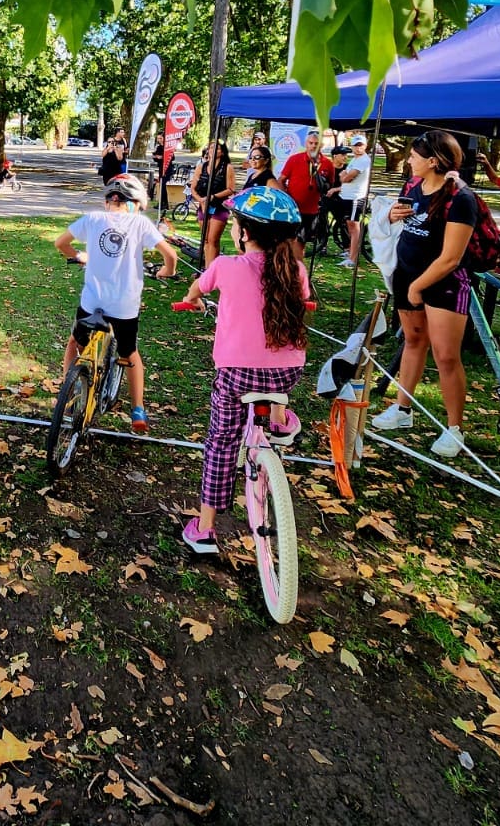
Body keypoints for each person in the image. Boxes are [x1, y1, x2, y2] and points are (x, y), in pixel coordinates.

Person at [175, 186, 310, 554]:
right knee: (280, 367)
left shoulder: (225, 266)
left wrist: (192, 300)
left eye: (234, 224)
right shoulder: (296, 270)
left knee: (221, 443)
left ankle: (204, 529)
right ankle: (280, 419)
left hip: (236, 375)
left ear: (244, 233)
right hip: (287, 374)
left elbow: (194, 290)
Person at [371, 131, 479, 459]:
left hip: (442, 284)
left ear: (433, 161)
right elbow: (398, 224)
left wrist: (419, 286)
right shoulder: (411, 188)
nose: (408, 160)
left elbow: (451, 257)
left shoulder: (460, 198)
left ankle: (454, 428)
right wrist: (390, 216)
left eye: (414, 155)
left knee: (446, 355)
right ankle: (402, 410)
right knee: (414, 341)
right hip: (406, 276)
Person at [54, 173, 178, 433]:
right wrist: (166, 271)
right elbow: (170, 256)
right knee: (129, 353)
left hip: (93, 302)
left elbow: (60, 243)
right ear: (133, 202)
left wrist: (79, 255)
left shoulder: (93, 219)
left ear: (108, 199)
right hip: (124, 306)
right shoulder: (140, 224)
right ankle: (138, 409)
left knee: (75, 343)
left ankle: (66, 392)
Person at [190, 140, 236, 266]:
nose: (214, 150)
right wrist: (200, 200)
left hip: (219, 207)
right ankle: (206, 269)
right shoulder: (202, 167)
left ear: (223, 152)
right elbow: (193, 187)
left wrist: (213, 196)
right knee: (205, 239)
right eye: (211, 147)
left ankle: (212, 270)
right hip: (203, 206)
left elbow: (231, 189)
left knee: (213, 239)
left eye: (218, 148)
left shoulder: (227, 167)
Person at [337, 134, 372, 267]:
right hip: (347, 196)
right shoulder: (354, 160)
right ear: (352, 146)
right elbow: (342, 175)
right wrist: (344, 176)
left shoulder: (363, 160)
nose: (358, 148)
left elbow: (346, 177)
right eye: (356, 145)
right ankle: (350, 251)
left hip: (355, 198)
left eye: (361, 145)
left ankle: (353, 258)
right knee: (350, 225)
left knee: (354, 226)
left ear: (365, 146)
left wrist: (345, 176)